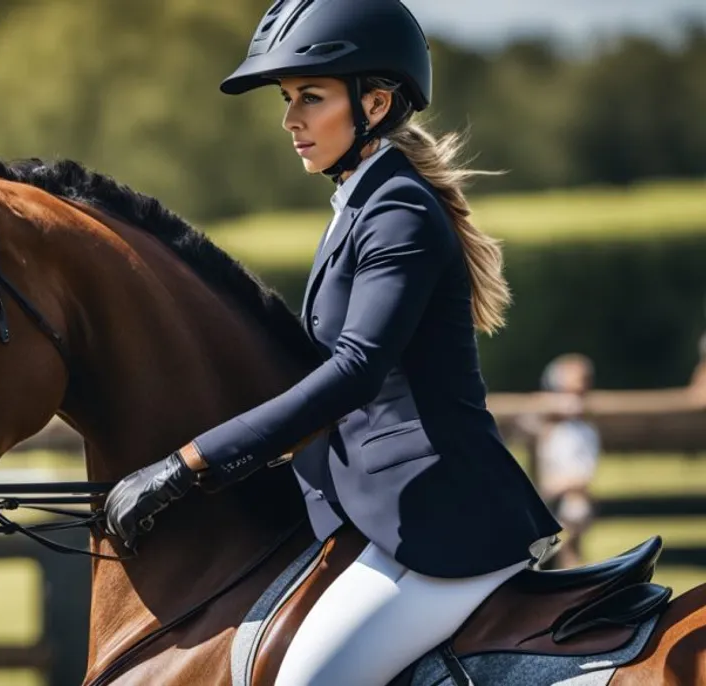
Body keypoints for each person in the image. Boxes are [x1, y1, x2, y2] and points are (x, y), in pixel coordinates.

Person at [102, 1, 562, 683]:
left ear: (374, 104)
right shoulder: (361, 203)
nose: (290, 120)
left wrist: (190, 463)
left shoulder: (399, 211)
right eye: (288, 99)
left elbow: (354, 373)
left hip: (438, 521)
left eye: (309, 98)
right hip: (378, 515)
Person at [532, 354, 601, 568]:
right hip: (549, 495)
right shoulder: (548, 428)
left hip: (567, 496)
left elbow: (583, 475)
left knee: (573, 513)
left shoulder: (585, 430)